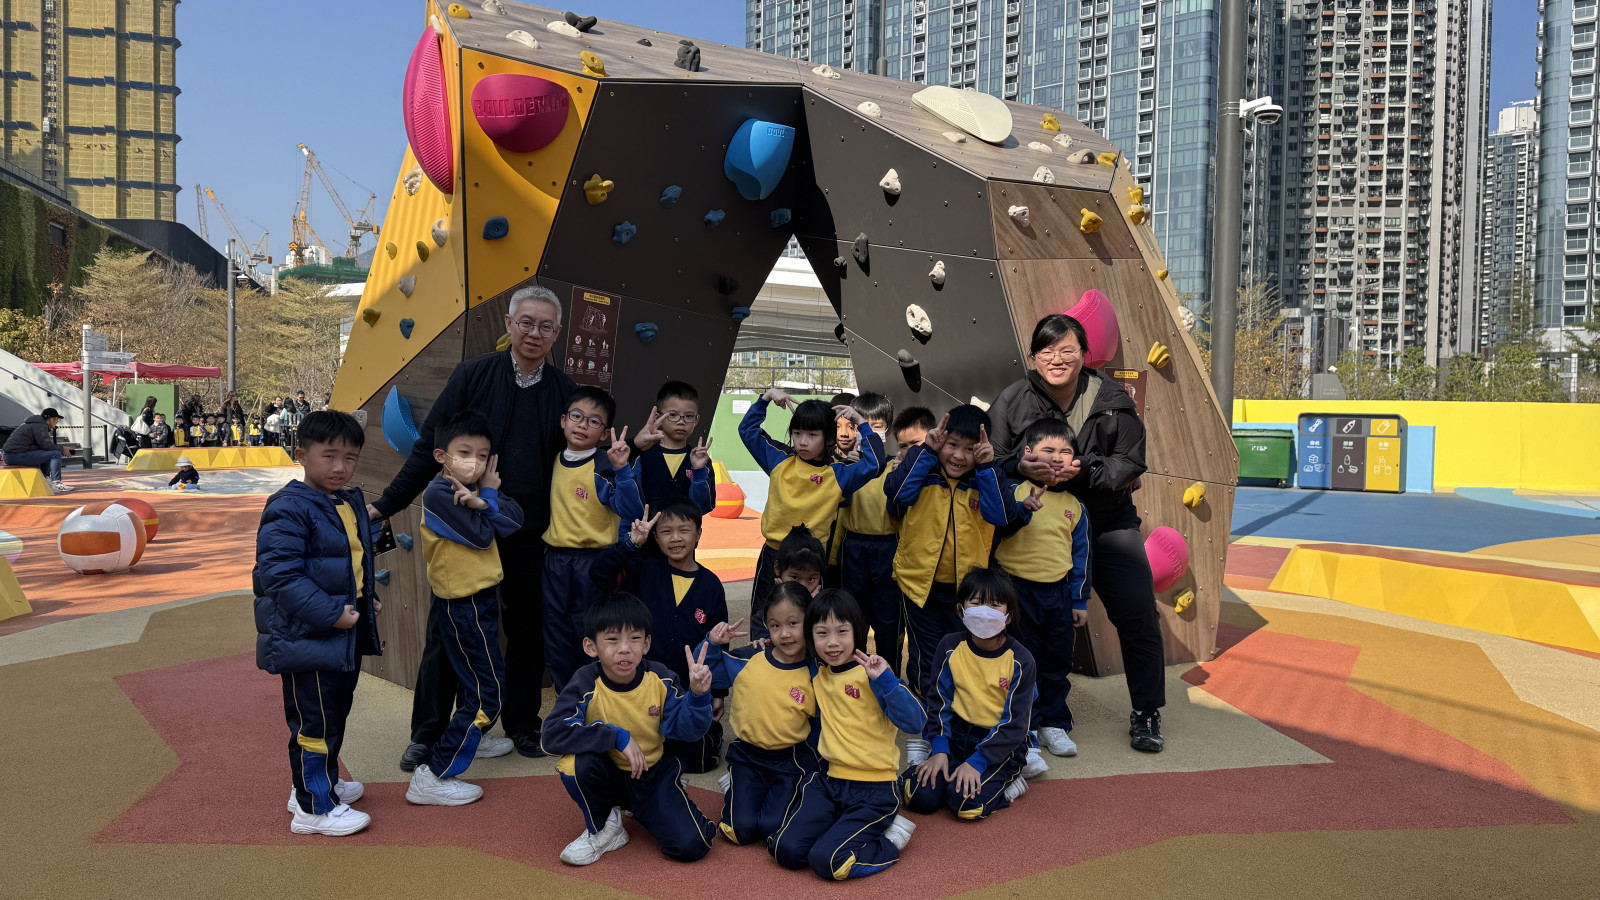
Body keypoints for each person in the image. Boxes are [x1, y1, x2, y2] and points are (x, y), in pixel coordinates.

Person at [372, 284, 576, 761]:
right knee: (448, 628)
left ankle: (522, 723)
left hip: (526, 528)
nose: (534, 333)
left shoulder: (564, 391)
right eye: (526, 322)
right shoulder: (473, 375)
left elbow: (582, 458)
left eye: (546, 326)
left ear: (557, 333)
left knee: (526, 629)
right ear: (509, 323)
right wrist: (385, 504)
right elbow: (430, 445)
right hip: (465, 526)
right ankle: (427, 733)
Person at [986, 314, 1167, 753]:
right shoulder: (1013, 399)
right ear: (1034, 356)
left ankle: (1146, 711)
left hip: (1105, 521)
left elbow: (1130, 463)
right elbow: (989, 456)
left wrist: (1085, 469)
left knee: (1139, 612)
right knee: (1013, 623)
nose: (1057, 358)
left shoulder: (1112, 400)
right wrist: (1018, 466)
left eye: (1067, 350)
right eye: (1047, 350)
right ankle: (1014, 714)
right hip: (1035, 524)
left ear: (1084, 354)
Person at [252, 410, 382, 836]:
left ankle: (316, 784)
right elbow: (279, 576)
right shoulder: (289, 507)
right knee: (313, 722)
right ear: (301, 454)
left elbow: (349, 563)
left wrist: (365, 598)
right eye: (329, 456)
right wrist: (331, 613)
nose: (340, 467)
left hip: (340, 631)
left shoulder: (344, 501)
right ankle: (313, 807)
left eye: (350, 457)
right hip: (305, 635)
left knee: (334, 713)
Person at [542, 591, 718, 866]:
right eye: (612, 639)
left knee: (692, 846)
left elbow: (688, 732)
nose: (625, 648)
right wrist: (615, 736)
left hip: (652, 773)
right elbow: (551, 735)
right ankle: (606, 825)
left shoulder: (661, 678)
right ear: (591, 646)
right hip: (608, 773)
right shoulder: (585, 681)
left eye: (635, 638)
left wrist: (697, 697)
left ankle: (653, 804)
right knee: (574, 765)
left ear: (647, 643)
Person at [404, 411, 526, 804]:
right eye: (465, 452)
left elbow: (515, 522)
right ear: (442, 455)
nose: (474, 461)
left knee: (472, 677)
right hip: (463, 601)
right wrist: (486, 499)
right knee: (488, 692)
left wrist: (485, 497)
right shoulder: (440, 493)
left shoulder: (477, 487)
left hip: (481, 597)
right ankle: (436, 773)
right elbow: (481, 536)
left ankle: (474, 736)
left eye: (483, 454)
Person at [769, 590, 924, 881]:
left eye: (842, 631)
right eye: (822, 633)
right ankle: (842, 829)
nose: (832, 642)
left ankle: (890, 840)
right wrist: (763, 643)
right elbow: (785, 644)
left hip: (875, 790)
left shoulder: (873, 675)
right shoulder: (818, 672)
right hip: (830, 784)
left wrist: (888, 681)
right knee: (784, 850)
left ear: (858, 631)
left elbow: (915, 722)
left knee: (828, 861)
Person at [883, 406, 1021, 722]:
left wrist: (987, 467)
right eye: (952, 444)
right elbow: (897, 493)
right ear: (940, 440)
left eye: (970, 449)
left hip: (967, 592)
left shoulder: (987, 478)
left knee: (964, 653)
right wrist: (927, 452)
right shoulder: (924, 468)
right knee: (926, 654)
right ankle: (927, 718)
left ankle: (959, 715)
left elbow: (1002, 516)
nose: (958, 456)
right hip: (919, 586)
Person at [590, 498, 727, 772]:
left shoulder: (711, 586)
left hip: (684, 690)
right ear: (656, 537)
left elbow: (719, 645)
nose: (675, 538)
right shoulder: (644, 570)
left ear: (698, 534)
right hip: (640, 686)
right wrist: (631, 543)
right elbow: (599, 573)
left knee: (698, 760)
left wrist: (719, 692)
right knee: (627, 752)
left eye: (684, 530)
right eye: (666, 531)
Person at [738, 387, 883, 641]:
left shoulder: (838, 473)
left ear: (829, 439)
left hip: (813, 562)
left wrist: (861, 423)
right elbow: (747, 431)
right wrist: (766, 399)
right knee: (764, 616)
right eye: (797, 433)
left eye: (812, 434)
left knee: (811, 620)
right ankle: (762, 659)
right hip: (774, 554)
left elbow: (876, 463)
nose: (802, 441)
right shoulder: (779, 460)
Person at [903, 567, 1037, 821]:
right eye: (975, 603)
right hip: (955, 737)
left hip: (998, 744)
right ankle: (951, 770)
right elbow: (938, 703)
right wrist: (939, 750)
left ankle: (1009, 783)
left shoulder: (1021, 660)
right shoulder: (950, 646)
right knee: (919, 797)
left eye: (995, 605)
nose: (984, 612)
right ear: (960, 610)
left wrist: (978, 761)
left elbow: (1015, 724)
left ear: (1008, 616)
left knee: (964, 804)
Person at [993, 418, 1092, 762]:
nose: (1057, 458)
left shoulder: (1076, 506)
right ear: (1027, 453)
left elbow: (1081, 557)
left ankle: (1054, 722)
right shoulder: (1013, 489)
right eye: (1048, 450)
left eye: (1066, 452)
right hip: (1016, 591)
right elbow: (996, 531)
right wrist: (1021, 510)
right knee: (1023, 661)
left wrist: (1079, 600)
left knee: (1057, 660)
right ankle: (1027, 725)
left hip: (1059, 595)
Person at [541, 386, 645, 691]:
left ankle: (598, 697)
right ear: (563, 420)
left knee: (591, 630)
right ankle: (568, 697)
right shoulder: (552, 460)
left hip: (594, 564)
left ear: (604, 433)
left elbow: (631, 510)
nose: (583, 425)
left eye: (594, 421)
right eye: (576, 416)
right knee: (555, 632)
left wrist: (622, 470)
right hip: (555, 562)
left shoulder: (603, 465)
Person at [701, 581, 818, 847]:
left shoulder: (815, 672)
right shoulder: (749, 658)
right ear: (766, 626)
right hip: (748, 758)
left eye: (793, 623)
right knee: (738, 831)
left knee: (771, 828)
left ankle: (792, 791)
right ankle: (736, 784)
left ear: (810, 621)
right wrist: (713, 644)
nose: (785, 634)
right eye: (775, 625)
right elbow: (706, 672)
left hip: (790, 762)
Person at [835, 394, 909, 673]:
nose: (869, 431)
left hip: (889, 548)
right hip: (854, 548)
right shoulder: (845, 467)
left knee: (889, 621)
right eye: (861, 425)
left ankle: (890, 678)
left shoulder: (895, 466)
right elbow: (839, 504)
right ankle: (852, 677)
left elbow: (901, 509)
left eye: (876, 426)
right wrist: (852, 467)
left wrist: (900, 475)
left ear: (888, 430)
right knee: (854, 618)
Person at [629, 381, 713, 514]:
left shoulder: (701, 461)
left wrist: (698, 472)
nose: (681, 421)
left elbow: (703, 507)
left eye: (689, 416)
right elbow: (630, 505)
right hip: (648, 527)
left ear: (696, 420)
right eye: (673, 415)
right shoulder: (642, 457)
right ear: (658, 418)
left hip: (686, 528)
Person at [2, 407, 73, 494]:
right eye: (57, 419)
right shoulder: (40, 426)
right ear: (51, 419)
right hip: (14, 456)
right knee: (55, 454)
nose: (58, 421)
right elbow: (46, 445)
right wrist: (62, 449)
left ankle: (45, 482)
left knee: (49, 454)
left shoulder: (34, 424)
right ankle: (56, 483)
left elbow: (43, 446)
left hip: (12, 455)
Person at [771, 525, 825, 598]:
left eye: (811, 579)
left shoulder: (823, 602)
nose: (803, 586)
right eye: (795, 578)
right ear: (778, 568)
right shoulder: (768, 600)